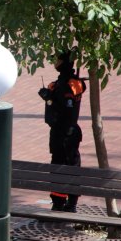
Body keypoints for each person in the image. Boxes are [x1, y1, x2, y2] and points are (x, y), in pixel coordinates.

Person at [37, 51, 86, 211]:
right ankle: (63, 202)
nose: (55, 62)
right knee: (64, 165)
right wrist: (50, 96)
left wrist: (49, 99)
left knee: (65, 165)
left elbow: (67, 109)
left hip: (66, 132)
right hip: (60, 131)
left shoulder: (70, 84)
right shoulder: (62, 83)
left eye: (57, 60)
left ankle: (65, 204)